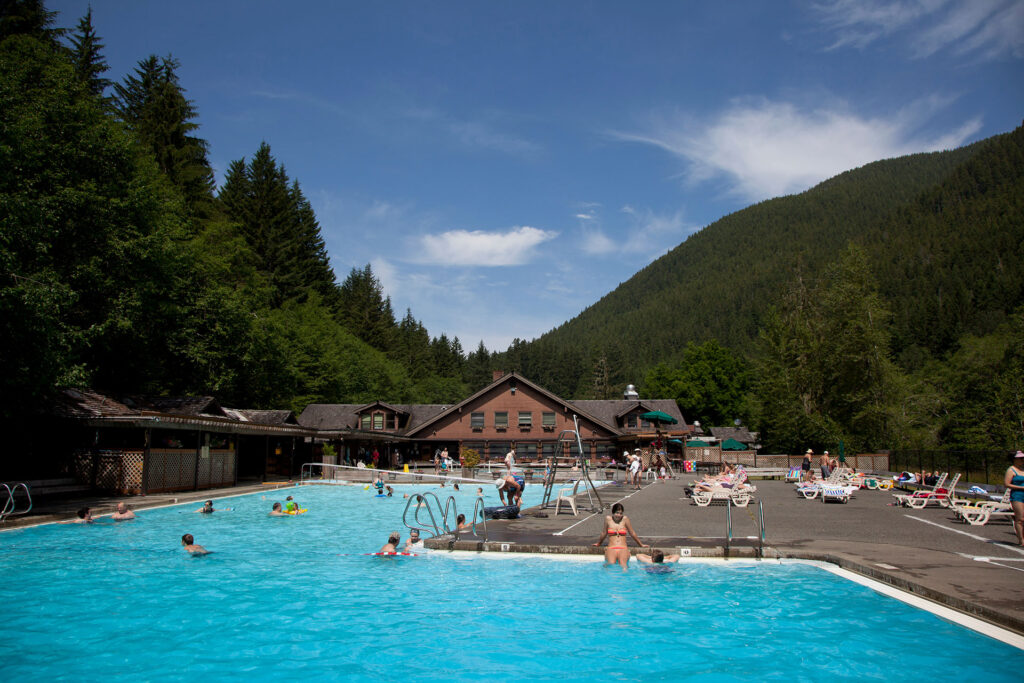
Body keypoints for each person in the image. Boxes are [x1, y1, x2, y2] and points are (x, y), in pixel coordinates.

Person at [592, 503, 647, 570]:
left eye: (621, 513)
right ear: (613, 512)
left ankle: (624, 579)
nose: (619, 515)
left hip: (623, 547)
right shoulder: (608, 519)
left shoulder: (625, 519)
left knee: (623, 565)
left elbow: (632, 533)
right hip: (611, 547)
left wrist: (641, 544)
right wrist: (599, 543)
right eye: (617, 513)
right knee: (610, 564)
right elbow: (604, 533)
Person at [1005, 451, 1024, 547]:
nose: (1022, 460)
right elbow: (1007, 484)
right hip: (1017, 495)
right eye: (1020, 458)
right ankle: (1021, 540)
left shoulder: (1023, 469)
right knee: (1020, 518)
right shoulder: (1011, 470)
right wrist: (1021, 488)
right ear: (1015, 459)